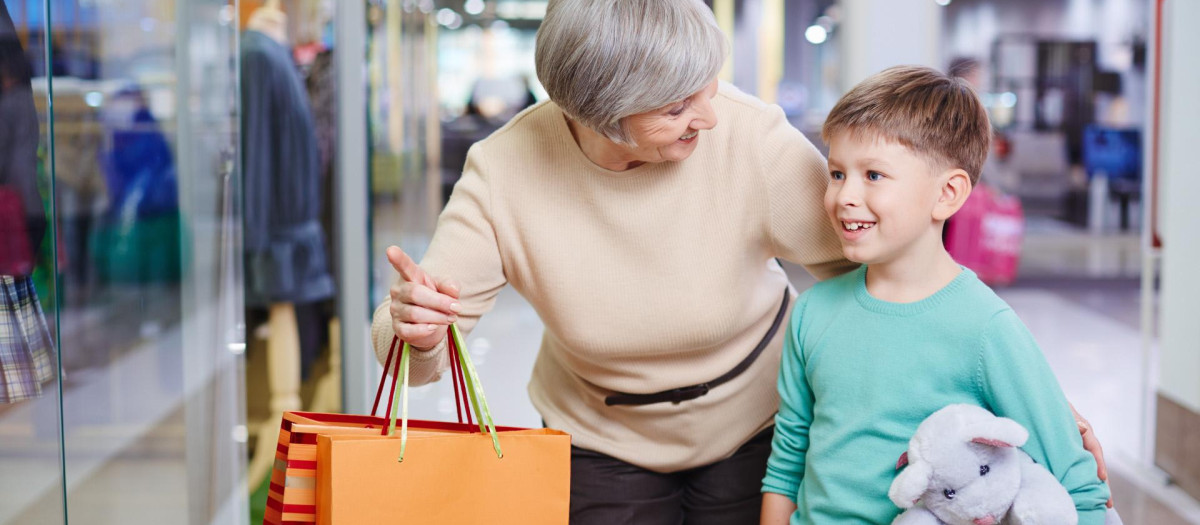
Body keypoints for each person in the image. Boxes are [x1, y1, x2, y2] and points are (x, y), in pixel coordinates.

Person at [373, 1, 1109, 522]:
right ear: (600, 116)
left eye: (709, 84)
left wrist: (1035, 402)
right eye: (676, 106)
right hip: (600, 440)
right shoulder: (506, 172)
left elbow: (886, 281)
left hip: (759, 425)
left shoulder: (748, 136)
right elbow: (413, 340)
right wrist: (417, 330)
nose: (709, 114)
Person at [759, 66, 1110, 524]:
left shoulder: (985, 328)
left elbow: (1078, 489)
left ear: (947, 193)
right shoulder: (811, 312)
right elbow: (788, 463)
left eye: (874, 175)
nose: (844, 196)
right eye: (838, 173)